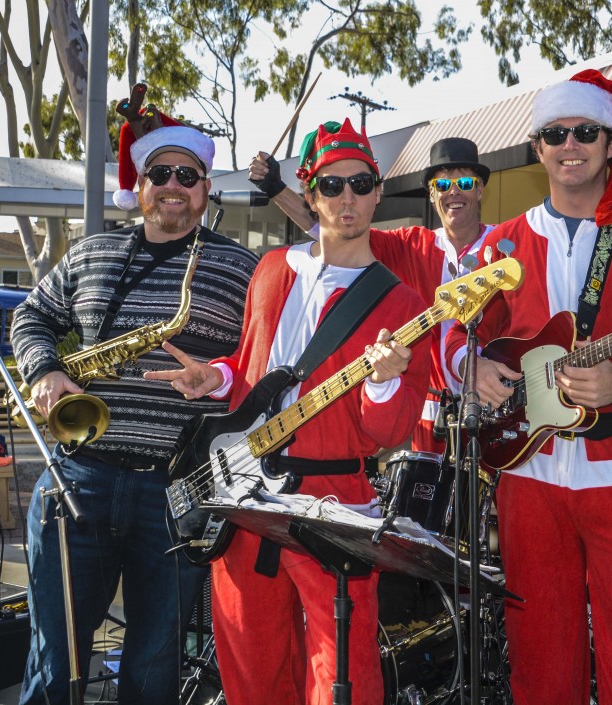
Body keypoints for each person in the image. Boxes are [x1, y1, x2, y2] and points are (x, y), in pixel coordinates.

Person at [445, 70, 612, 705]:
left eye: (586, 132)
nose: (571, 145)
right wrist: (471, 365)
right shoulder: (499, 244)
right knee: (538, 650)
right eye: (556, 134)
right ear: (537, 147)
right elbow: (460, 335)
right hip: (528, 470)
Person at [150, 117, 429, 705]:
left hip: (338, 503)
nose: (346, 198)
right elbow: (255, 366)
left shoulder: (401, 303)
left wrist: (383, 382)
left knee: (341, 678)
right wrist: (218, 374)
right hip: (246, 495)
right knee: (250, 664)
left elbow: (390, 429)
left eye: (359, 184)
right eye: (331, 185)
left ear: (378, 192)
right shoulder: (271, 268)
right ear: (309, 193)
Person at [11, 112, 258, 705]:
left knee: (154, 668)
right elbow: (31, 315)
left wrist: (221, 378)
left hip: (177, 490)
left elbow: (269, 364)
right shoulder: (91, 251)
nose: (173, 184)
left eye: (188, 174)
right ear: (141, 185)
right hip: (78, 475)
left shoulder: (244, 267)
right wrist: (45, 370)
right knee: (54, 658)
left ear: (206, 189)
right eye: (160, 172)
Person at [250, 137, 612, 454]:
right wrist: (277, 189)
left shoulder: (507, 242)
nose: (453, 193)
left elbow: (587, 223)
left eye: (463, 183)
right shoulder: (408, 245)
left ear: (481, 189)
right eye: (442, 186)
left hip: (501, 416)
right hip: (429, 421)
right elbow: (331, 225)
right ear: (431, 195)